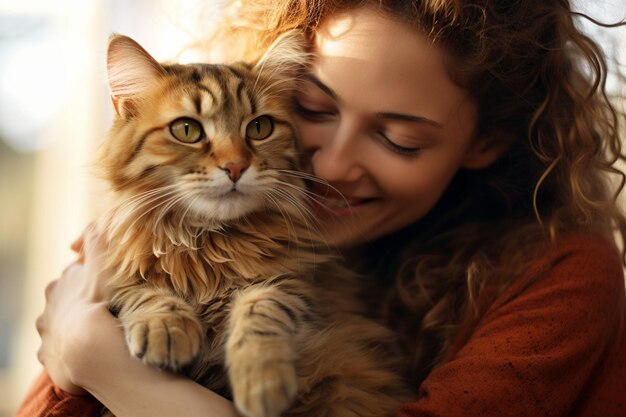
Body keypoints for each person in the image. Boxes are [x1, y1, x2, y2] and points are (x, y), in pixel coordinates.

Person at [16, 0, 626, 416]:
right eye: (312, 109)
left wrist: (103, 363)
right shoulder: (167, 219)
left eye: (399, 139)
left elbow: (93, 359)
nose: (330, 167)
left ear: (484, 143)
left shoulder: (561, 276)